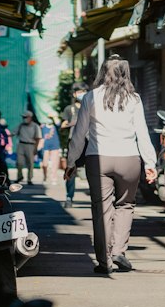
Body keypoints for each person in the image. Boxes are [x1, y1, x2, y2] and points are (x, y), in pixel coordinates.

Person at [65, 58, 157, 275]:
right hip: (129, 158)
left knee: (101, 208)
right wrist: (150, 163)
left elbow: (79, 134)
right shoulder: (134, 98)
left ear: (103, 73)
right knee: (125, 205)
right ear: (126, 74)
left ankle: (104, 261)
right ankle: (118, 251)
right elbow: (142, 132)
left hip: (98, 159)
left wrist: (71, 162)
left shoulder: (90, 97)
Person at [60, 84, 86, 203]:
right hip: (74, 141)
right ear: (74, 94)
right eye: (79, 92)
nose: (82, 94)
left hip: (89, 141)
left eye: (84, 91)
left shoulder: (91, 107)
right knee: (71, 168)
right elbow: (63, 125)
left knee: (94, 169)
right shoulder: (69, 109)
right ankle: (69, 196)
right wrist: (72, 123)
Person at [15, 110, 42, 185]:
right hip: (21, 144)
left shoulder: (35, 126)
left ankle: (29, 179)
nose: (24, 118)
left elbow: (38, 138)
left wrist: (36, 148)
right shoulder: (21, 125)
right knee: (19, 162)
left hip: (31, 145)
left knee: (30, 163)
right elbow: (13, 133)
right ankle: (19, 176)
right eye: (23, 117)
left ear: (30, 117)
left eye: (25, 117)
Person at [40, 114, 62, 185]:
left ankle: (54, 178)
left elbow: (58, 123)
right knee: (44, 163)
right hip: (46, 146)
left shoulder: (55, 126)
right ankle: (45, 176)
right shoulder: (43, 126)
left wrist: (54, 116)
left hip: (55, 146)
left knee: (54, 163)